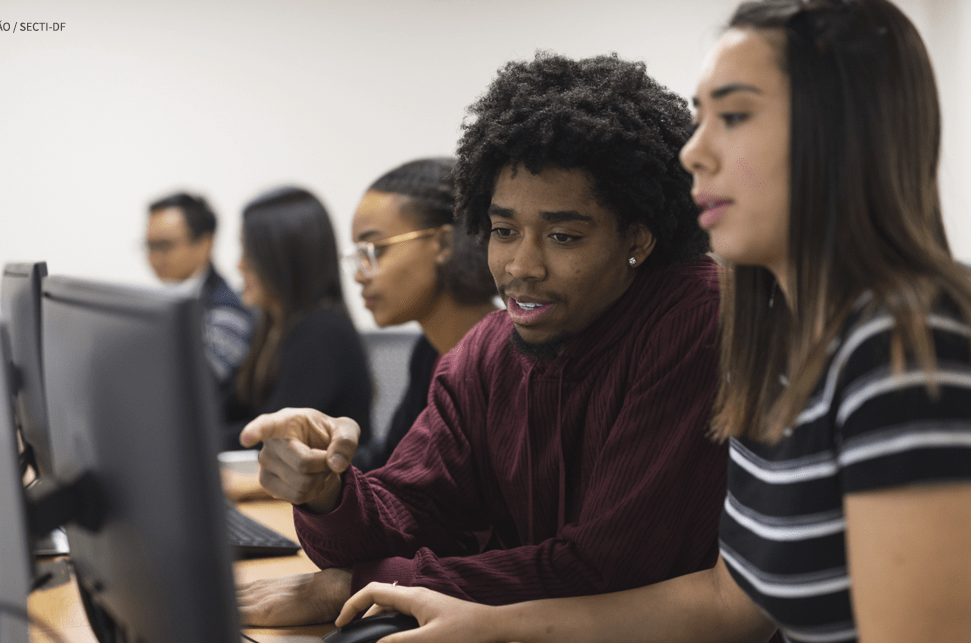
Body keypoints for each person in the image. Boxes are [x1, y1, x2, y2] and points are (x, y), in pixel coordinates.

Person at [334, 1, 971, 641]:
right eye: (701, 119)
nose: (695, 152)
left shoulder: (907, 343)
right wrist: (490, 625)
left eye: (735, 116)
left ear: (840, 137)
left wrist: (378, 584)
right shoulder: (780, 335)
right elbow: (731, 603)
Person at [236, 51, 728, 627]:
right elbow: (413, 511)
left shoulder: (697, 316)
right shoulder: (486, 352)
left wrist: (361, 585)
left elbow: (605, 569)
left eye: (563, 236)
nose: (521, 265)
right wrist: (327, 491)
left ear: (638, 239)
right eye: (503, 231)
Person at [347, 157, 498, 471]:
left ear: (443, 243)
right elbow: (391, 460)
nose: (359, 275)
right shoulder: (429, 350)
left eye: (375, 249)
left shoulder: (506, 362)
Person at [223, 186, 373, 452]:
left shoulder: (323, 333)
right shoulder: (271, 325)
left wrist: (187, 440)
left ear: (282, 259)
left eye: (249, 253)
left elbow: (269, 435)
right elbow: (232, 406)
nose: (239, 265)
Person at [145, 192, 253, 412]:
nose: (154, 257)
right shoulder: (166, 301)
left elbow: (192, 388)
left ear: (205, 244)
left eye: (164, 245)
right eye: (149, 245)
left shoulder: (226, 313)